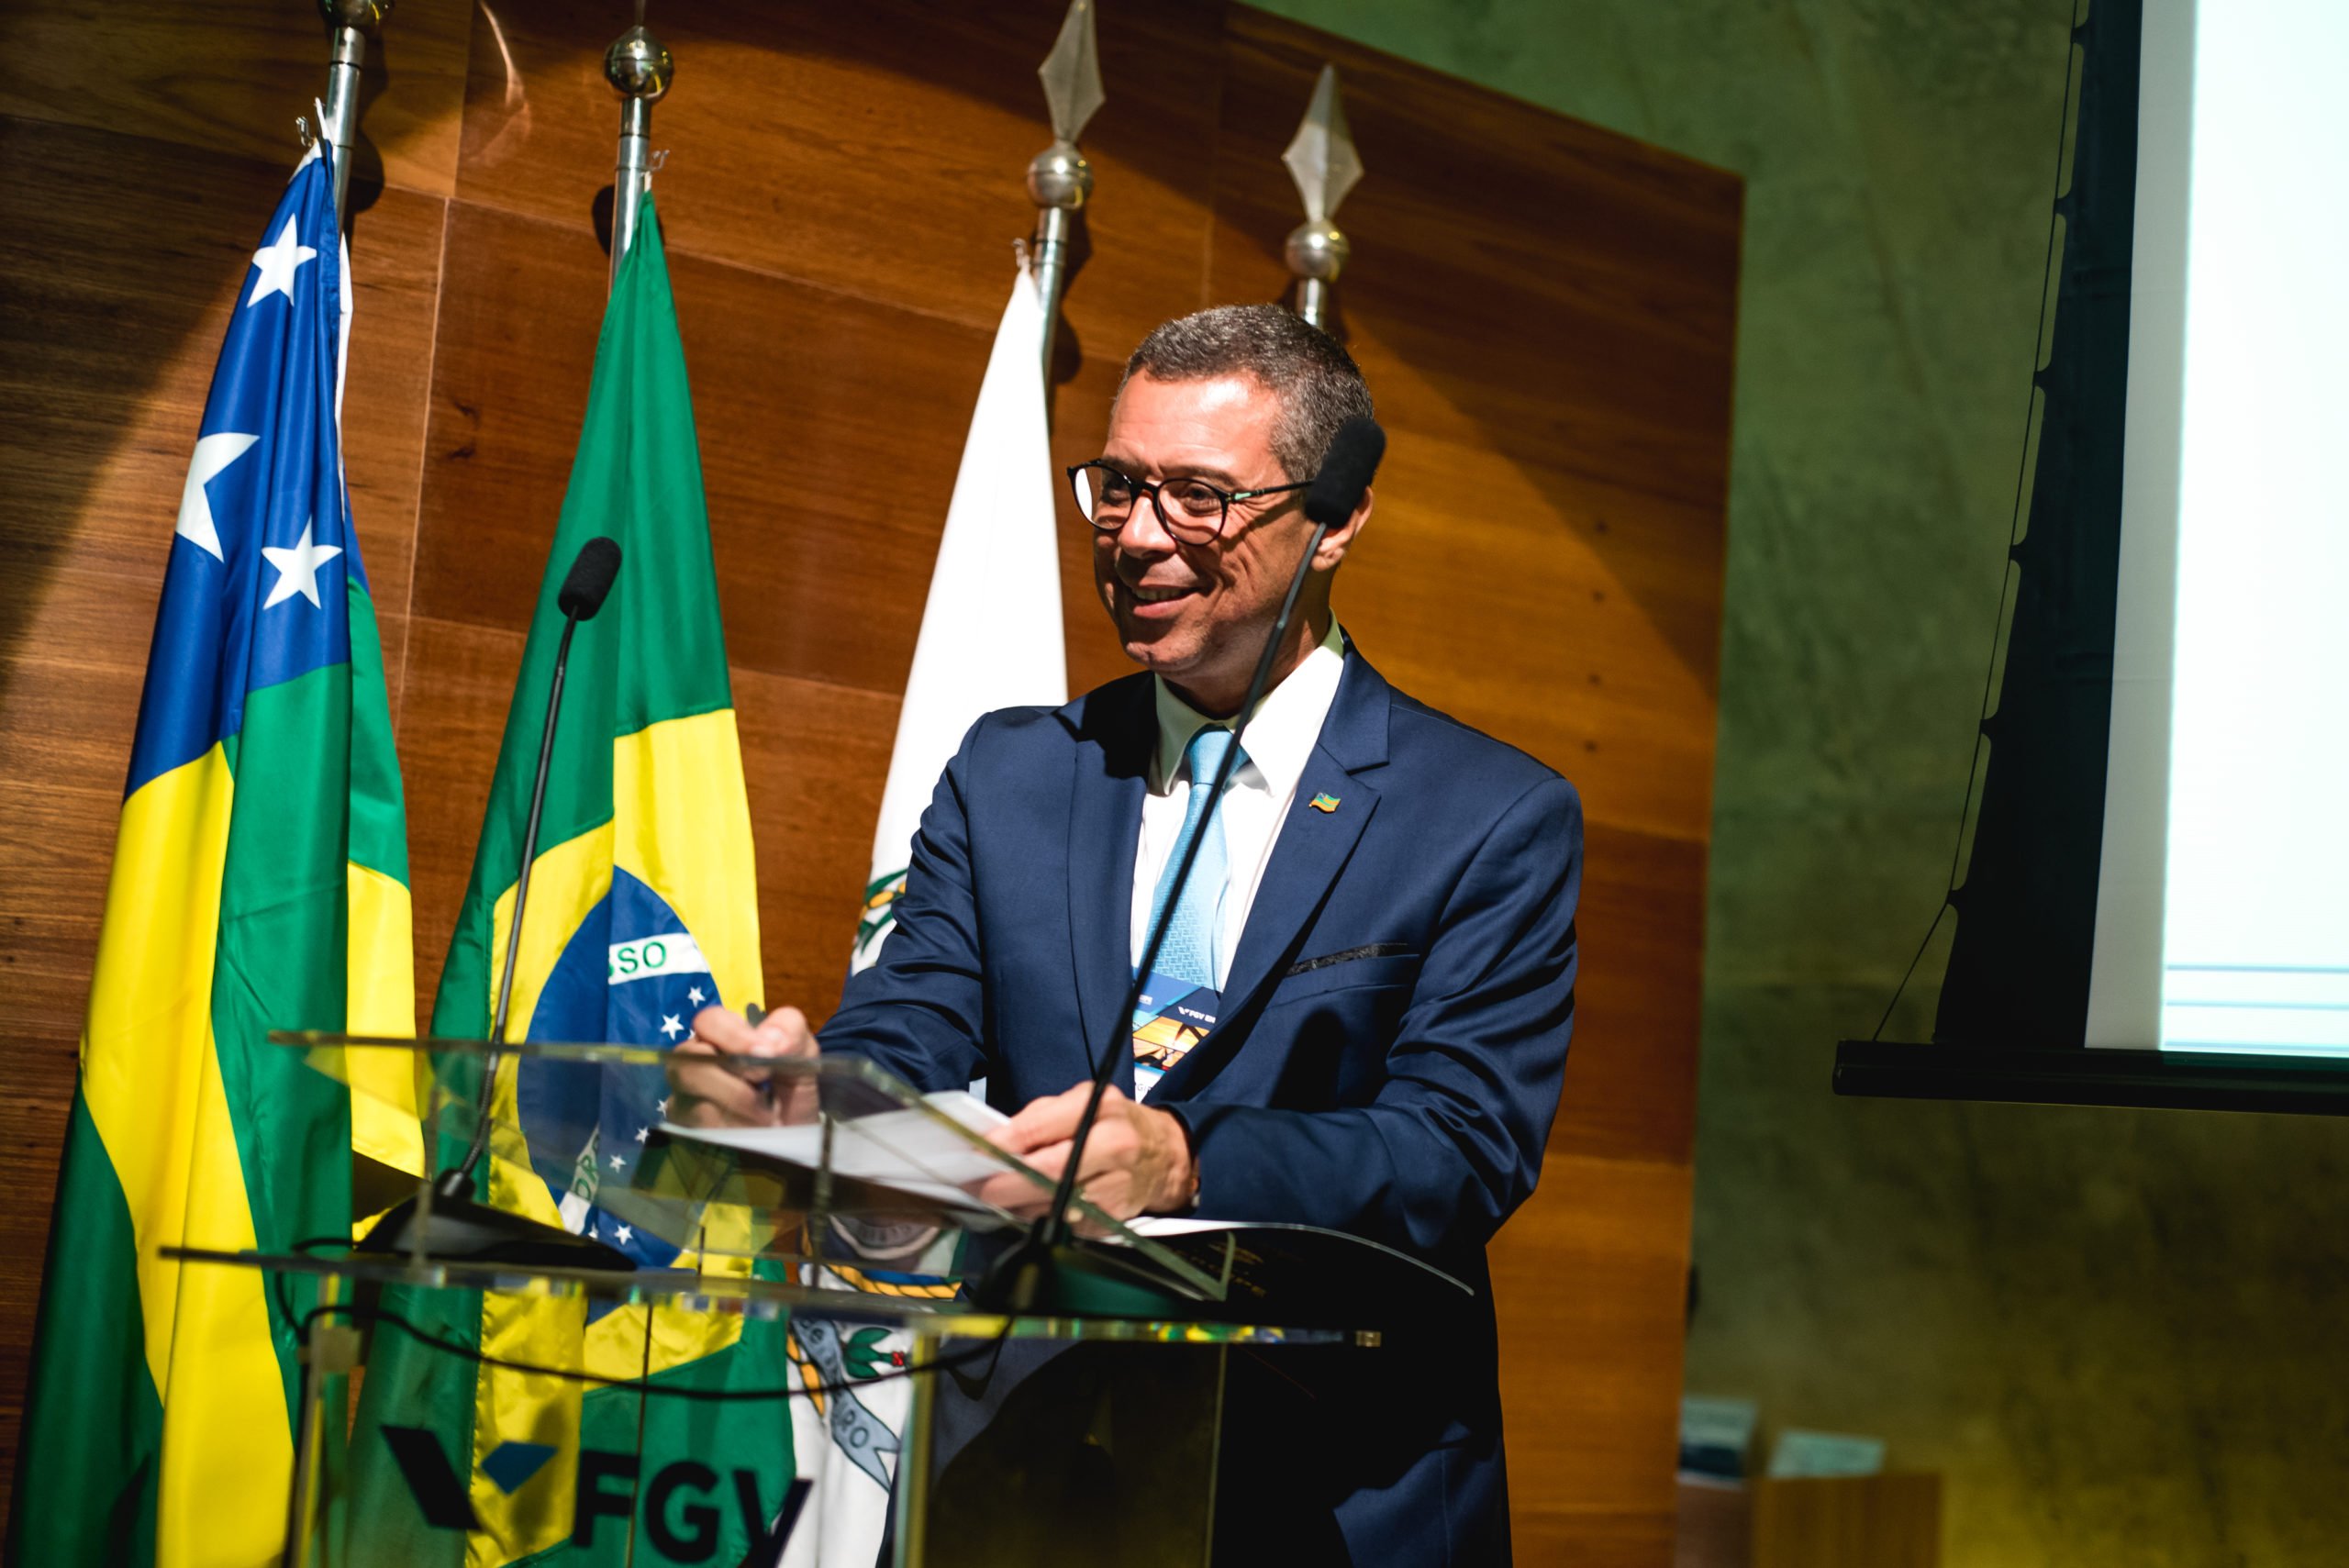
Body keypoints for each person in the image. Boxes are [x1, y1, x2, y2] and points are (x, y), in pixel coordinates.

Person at [689, 305, 1581, 1564]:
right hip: (1017, 1477)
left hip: (1326, 1494)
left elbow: (1458, 1148)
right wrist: (813, 1092)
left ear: (1335, 515)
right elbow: (917, 1020)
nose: (1140, 537)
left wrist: (1185, 1162)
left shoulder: (1487, 816)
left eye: (1200, 497)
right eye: (1119, 486)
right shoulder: (1013, 773)